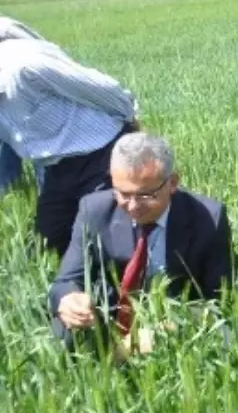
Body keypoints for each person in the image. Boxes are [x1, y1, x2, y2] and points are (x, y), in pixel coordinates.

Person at [48, 132, 234, 358]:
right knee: (63, 329)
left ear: (172, 183)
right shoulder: (94, 211)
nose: (133, 206)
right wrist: (70, 299)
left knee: (223, 338)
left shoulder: (208, 218)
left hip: (175, 325)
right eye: (123, 193)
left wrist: (165, 329)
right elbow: (65, 280)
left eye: (146, 195)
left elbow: (219, 300)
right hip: (108, 321)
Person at [0, 37, 139, 257]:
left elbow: (99, 87)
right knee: (50, 242)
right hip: (57, 166)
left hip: (101, 151)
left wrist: (130, 120)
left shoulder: (26, 69)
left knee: (111, 235)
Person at [0, 15, 47, 194]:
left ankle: (47, 196)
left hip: (32, 99)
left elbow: (47, 56)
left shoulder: (7, 30)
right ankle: (8, 194)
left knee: (42, 147)